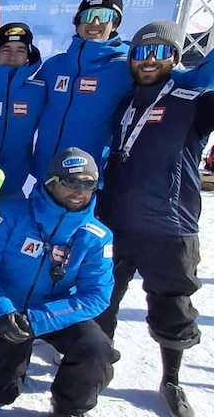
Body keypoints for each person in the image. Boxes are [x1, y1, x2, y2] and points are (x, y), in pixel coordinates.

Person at [95, 21, 214, 417]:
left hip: (170, 226)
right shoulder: (125, 102)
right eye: (142, 52)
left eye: (160, 52)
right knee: (103, 298)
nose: (149, 61)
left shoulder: (192, 100)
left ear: (175, 58)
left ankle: (172, 380)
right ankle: (96, 362)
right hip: (119, 223)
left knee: (173, 308)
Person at [0, 147, 116, 417]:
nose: (79, 190)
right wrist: (0, 310)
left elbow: (96, 294)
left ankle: (70, 408)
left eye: (88, 183)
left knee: (96, 349)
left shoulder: (97, 236)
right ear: (50, 182)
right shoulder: (11, 211)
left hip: (57, 312)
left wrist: (40, 319)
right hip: (9, 311)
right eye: (70, 181)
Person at [30, 0, 212, 180]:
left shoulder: (125, 66)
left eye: (105, 16)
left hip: (87, 180)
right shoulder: (54, 66)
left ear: (115, 23)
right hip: (45, 174)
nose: (95, 23)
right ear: (77, 22)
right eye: (88, 15)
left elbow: (196, 80)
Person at [0, 22, 44, 198]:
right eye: (6, 49)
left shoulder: (40, 91)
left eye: (21, 50)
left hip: (13, 186)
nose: (13, 56)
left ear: (28, 55)